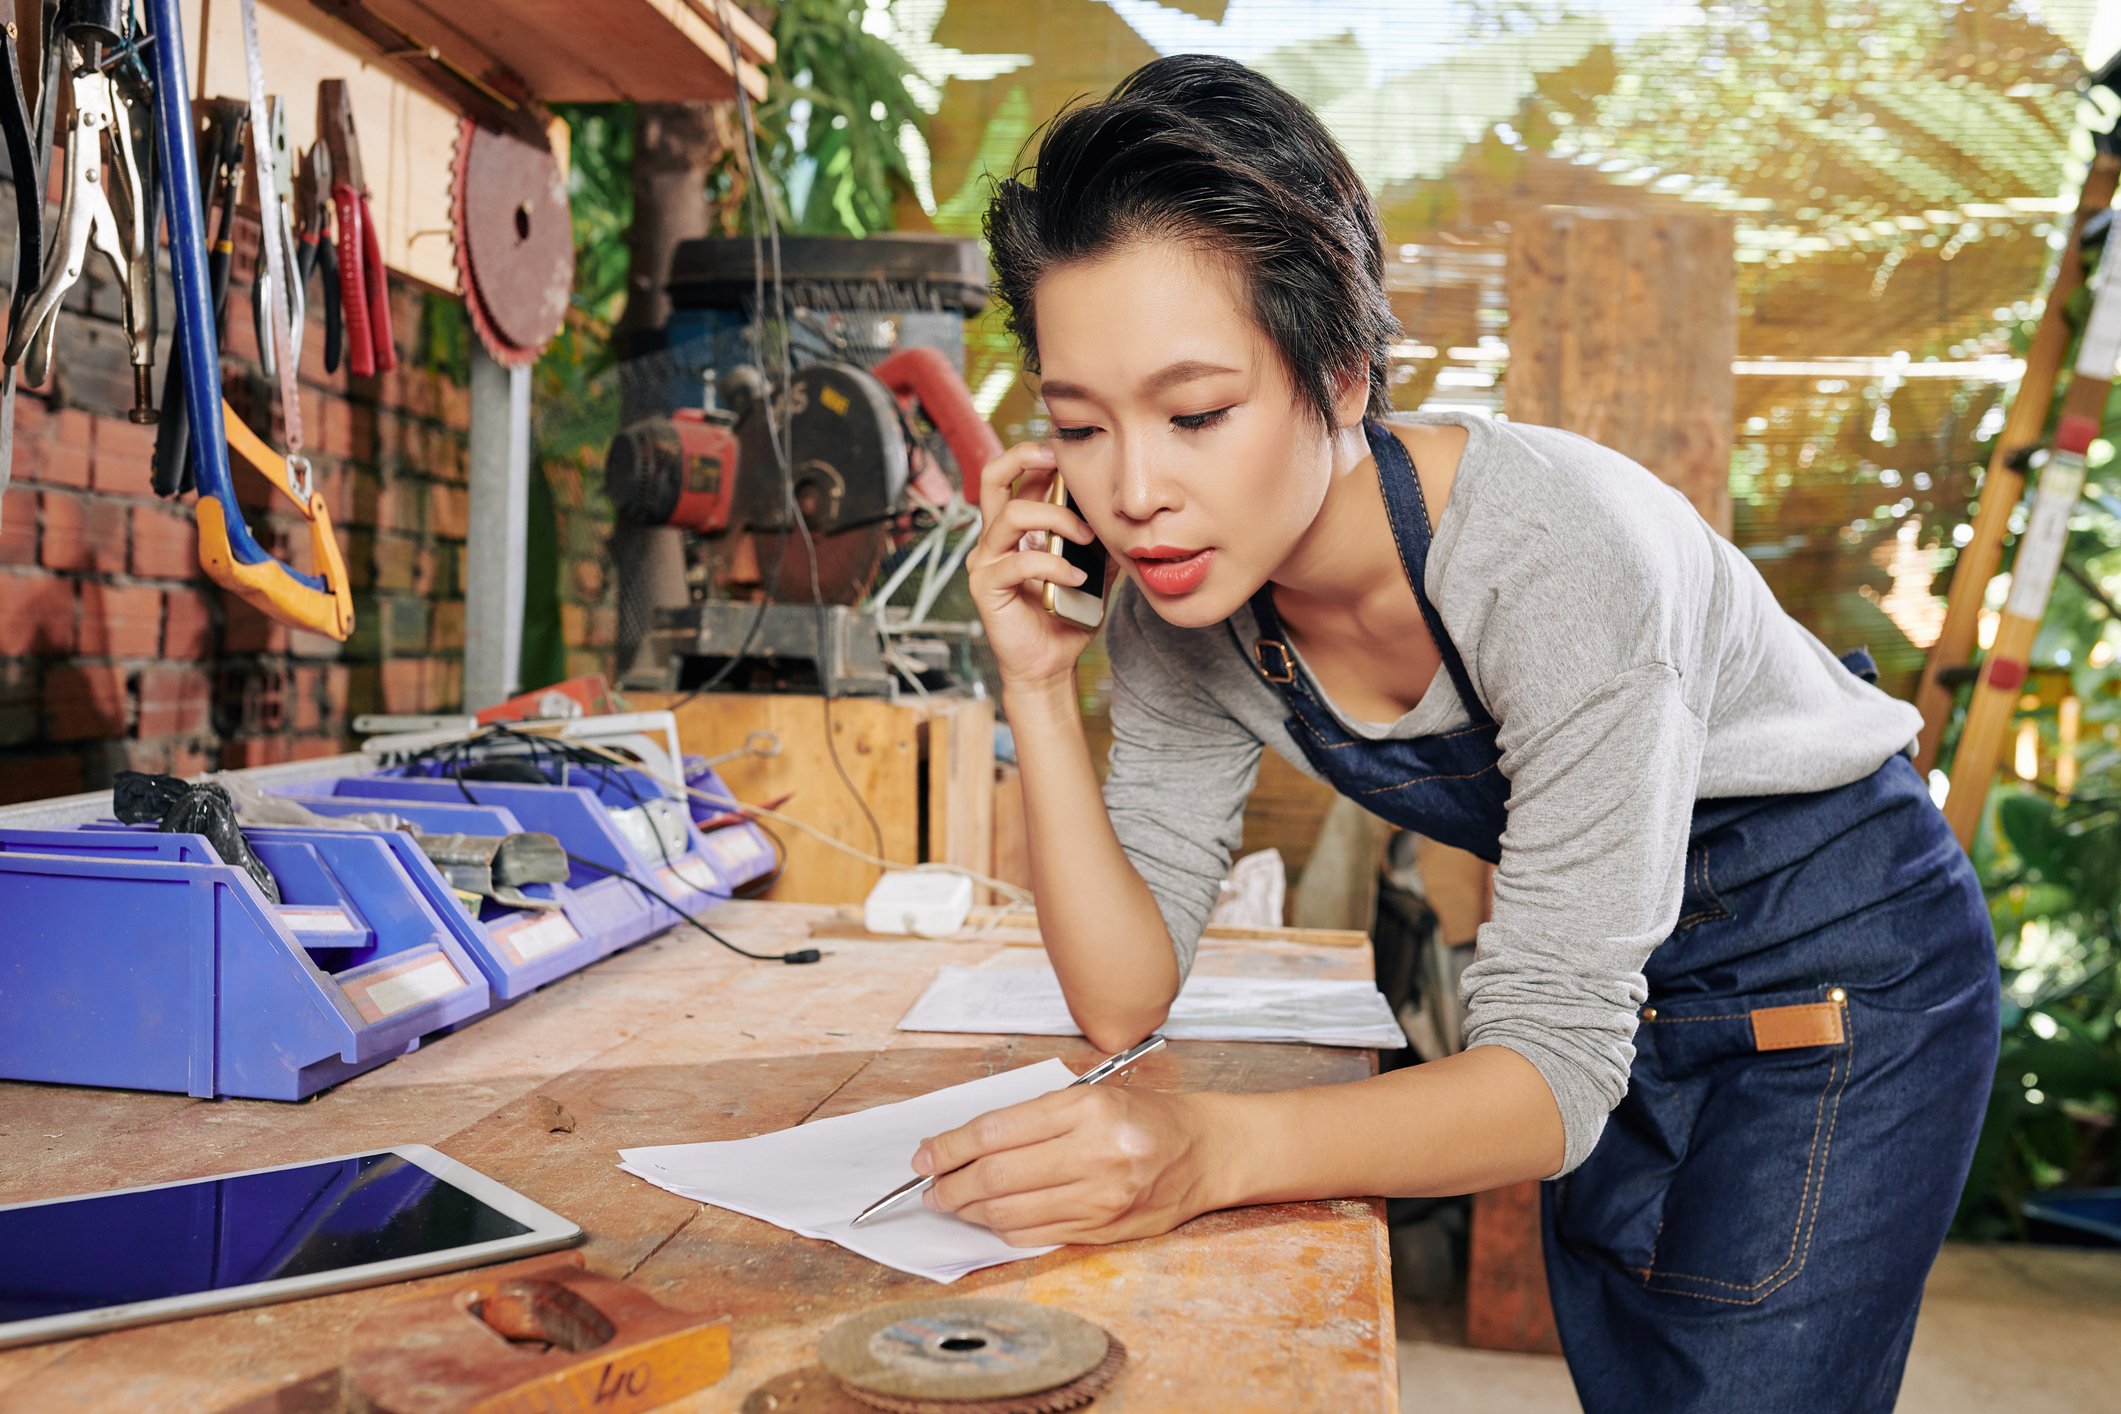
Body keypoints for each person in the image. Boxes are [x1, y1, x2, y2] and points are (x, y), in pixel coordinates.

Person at [924, 52, 2000, 1413]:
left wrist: (1201, 1148)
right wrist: (1031, 681)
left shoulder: (1558, 561)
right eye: (1081, 425)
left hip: (1840, 965)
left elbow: (1546, 1080)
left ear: (1342, 372)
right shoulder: (1179, 607)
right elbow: (1127, 995)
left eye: (1196, 414)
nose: (1135, 491)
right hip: (1634, 971)